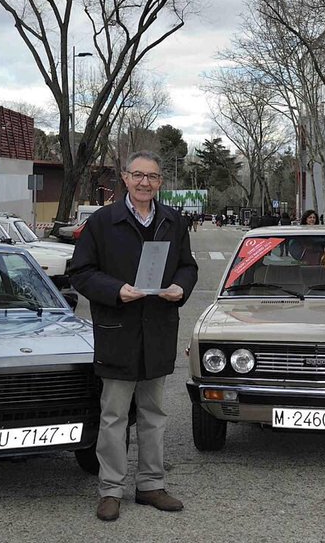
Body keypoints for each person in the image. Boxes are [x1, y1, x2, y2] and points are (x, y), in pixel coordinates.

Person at [69, 150, 199, 522]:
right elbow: (81, 272)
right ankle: (111, 489)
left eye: (153, 177)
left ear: (160, 182)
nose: (145, 182)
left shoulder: (173, 221)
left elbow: (188, 266)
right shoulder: (103, 222)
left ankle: (150, 486)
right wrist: (116, 290)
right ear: (124, 178)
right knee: (112, 416)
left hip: (157, 331)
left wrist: (180, 286)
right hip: (118, 332)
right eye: (138, 175)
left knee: (154, 414)